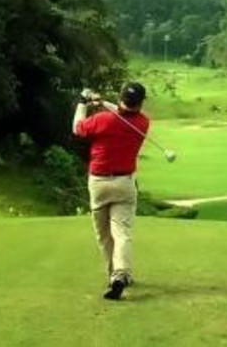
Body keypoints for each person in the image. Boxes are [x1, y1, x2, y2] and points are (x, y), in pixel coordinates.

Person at [72, 82, 150, 300]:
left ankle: (113, 275)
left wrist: (83, 102)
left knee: (104, 235)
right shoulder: (143, 123)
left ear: (120, 97)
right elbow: (123, 113)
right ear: (141, 102)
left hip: (99, 184)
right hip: (124, 183)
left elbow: (77, 128)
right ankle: (121, 274)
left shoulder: (102, 120)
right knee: (121, 232)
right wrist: (100, 101)